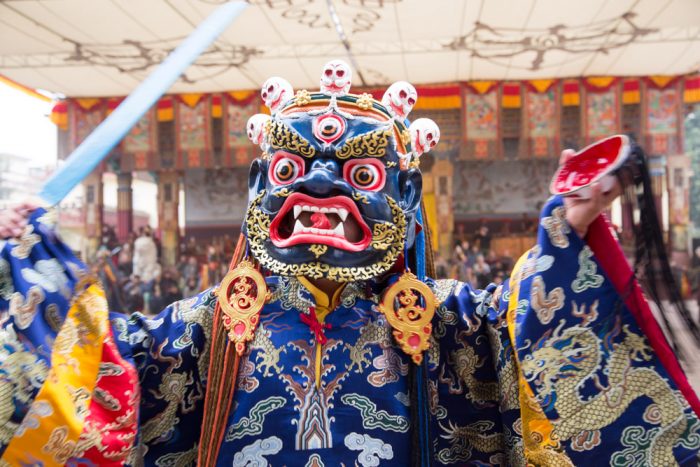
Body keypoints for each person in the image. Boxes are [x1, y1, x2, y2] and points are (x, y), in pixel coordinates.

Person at [1, 61, 699, 466]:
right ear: (257, 188)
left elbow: (538, 336)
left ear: (404, 192)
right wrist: (29, 268)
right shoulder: (204, 329)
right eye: (289, 167)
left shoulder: (450, 325)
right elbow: (90, 378)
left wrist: (564, 230)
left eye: (359, 174)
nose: (320, 187)